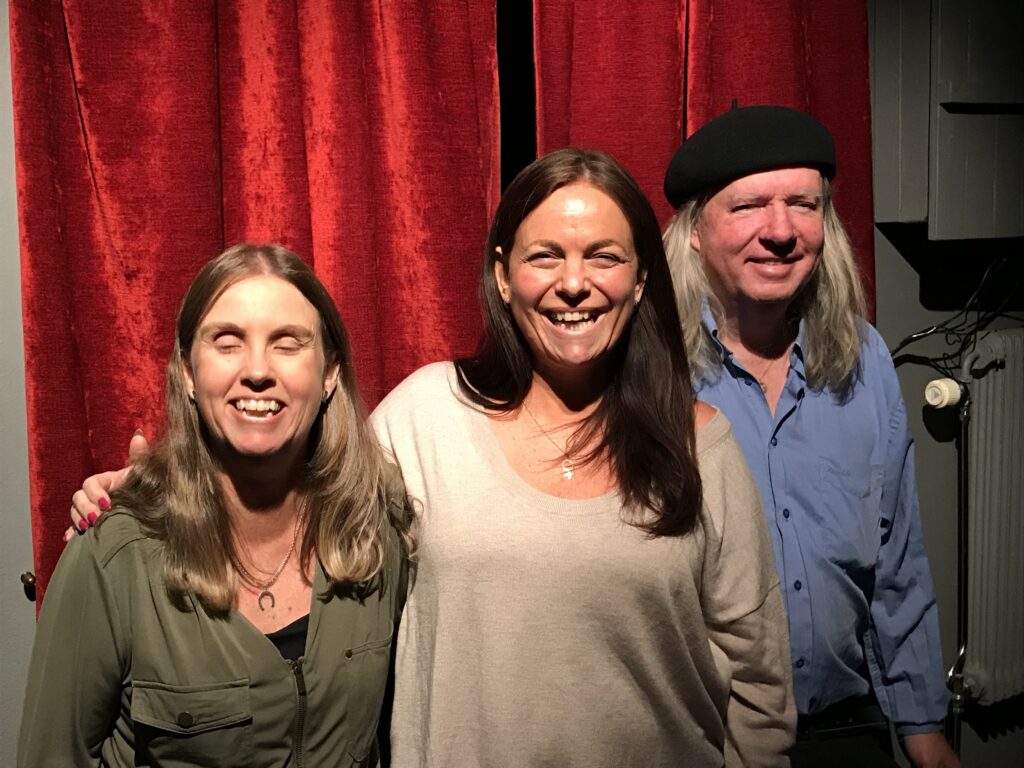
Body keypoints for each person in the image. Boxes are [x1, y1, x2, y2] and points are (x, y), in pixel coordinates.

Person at [71, 150, 795, 766]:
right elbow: (290, 482)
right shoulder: (427, 417)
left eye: (603, 256)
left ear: (640, 281)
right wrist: (152, 491)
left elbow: (760, 687)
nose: (574, 282)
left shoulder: (702, 445)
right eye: (546, 255)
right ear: (505, 276)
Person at [23, 244, 412, 767]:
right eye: (227, 343)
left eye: (287, 344)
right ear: (188, 370)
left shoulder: (375, 533)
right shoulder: (112, 559)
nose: (256, 370)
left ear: (329, 374)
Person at [661, 105, 959, 768]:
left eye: (804, 204)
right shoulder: (648, 374)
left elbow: (896, 559)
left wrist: (922, 728)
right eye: (747, 206)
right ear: (693, 233)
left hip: (846, 733)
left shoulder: (865, 358)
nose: (780, 231)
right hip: (705, 741)